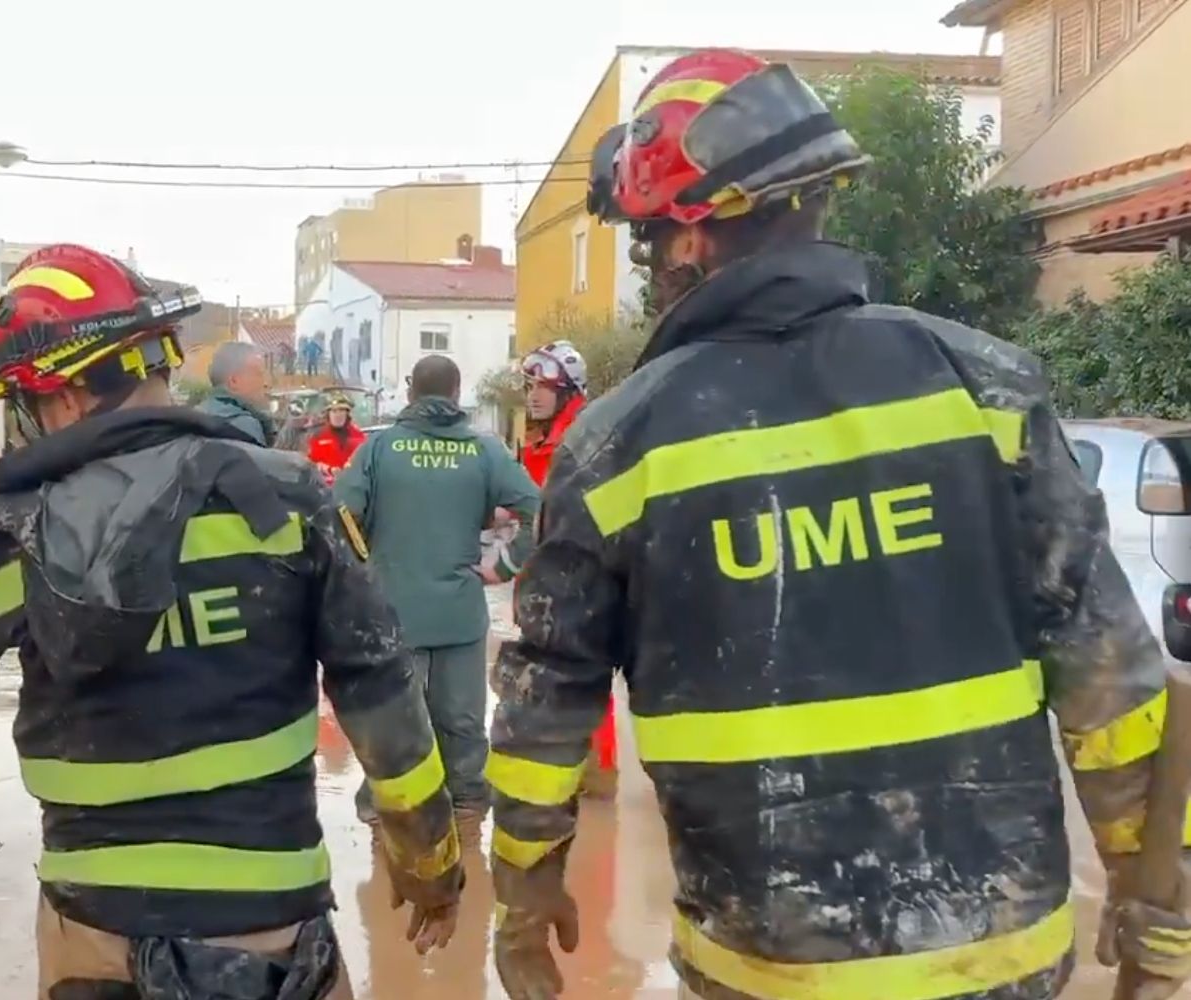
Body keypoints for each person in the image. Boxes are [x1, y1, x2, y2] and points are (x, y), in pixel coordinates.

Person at [487, 49, 1191, 1000]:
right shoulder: (983, 389)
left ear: (691, 238)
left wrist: (523, 895)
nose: (653, 266)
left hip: (767, 964)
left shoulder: (619, 446)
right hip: (1002, 957)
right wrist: (1159, 898)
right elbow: (1112, 680)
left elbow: (547, 704)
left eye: (649, 241)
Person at [0, 244, 463, 999]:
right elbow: (383, 695)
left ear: (65, 400)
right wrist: (432, 864)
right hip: (276, 930)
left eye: (24, 405)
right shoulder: (290, 498)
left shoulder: (8, 535)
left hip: (98, 936)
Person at [336, 356, 540, 839]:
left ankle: (390, 820)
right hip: (459, 615)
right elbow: (542, 509)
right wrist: (505, 565)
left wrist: (363, 572)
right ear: (455, 393)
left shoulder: (377, 450)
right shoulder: (484, 452)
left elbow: (340, 516)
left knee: (396, 721)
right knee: (462, 722)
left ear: (410, 392)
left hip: (391, 612)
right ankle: (467, 819)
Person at [517, 340, 618, 801]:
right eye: (530, 385)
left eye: (543, 386)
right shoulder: (542, 436)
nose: (533, 394)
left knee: (584, 667)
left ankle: (597, 774)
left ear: (567, 389)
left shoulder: (581, 434)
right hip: (550, 565)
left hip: (582, 568)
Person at [197, 341, 277, 445]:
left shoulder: (196, 416)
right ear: (234, 381)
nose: (266, 383)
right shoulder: (243, 426)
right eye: (260, 374)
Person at [306, 394, 367, 486]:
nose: (337, 415)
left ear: (347, 414)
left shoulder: (359, 436)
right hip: (325, 489)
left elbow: (366, 464)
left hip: (352, 488)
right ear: (328, 414)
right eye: (334, 411)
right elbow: (309, 464)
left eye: (341, 410)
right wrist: (328, 469)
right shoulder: (318, 437)